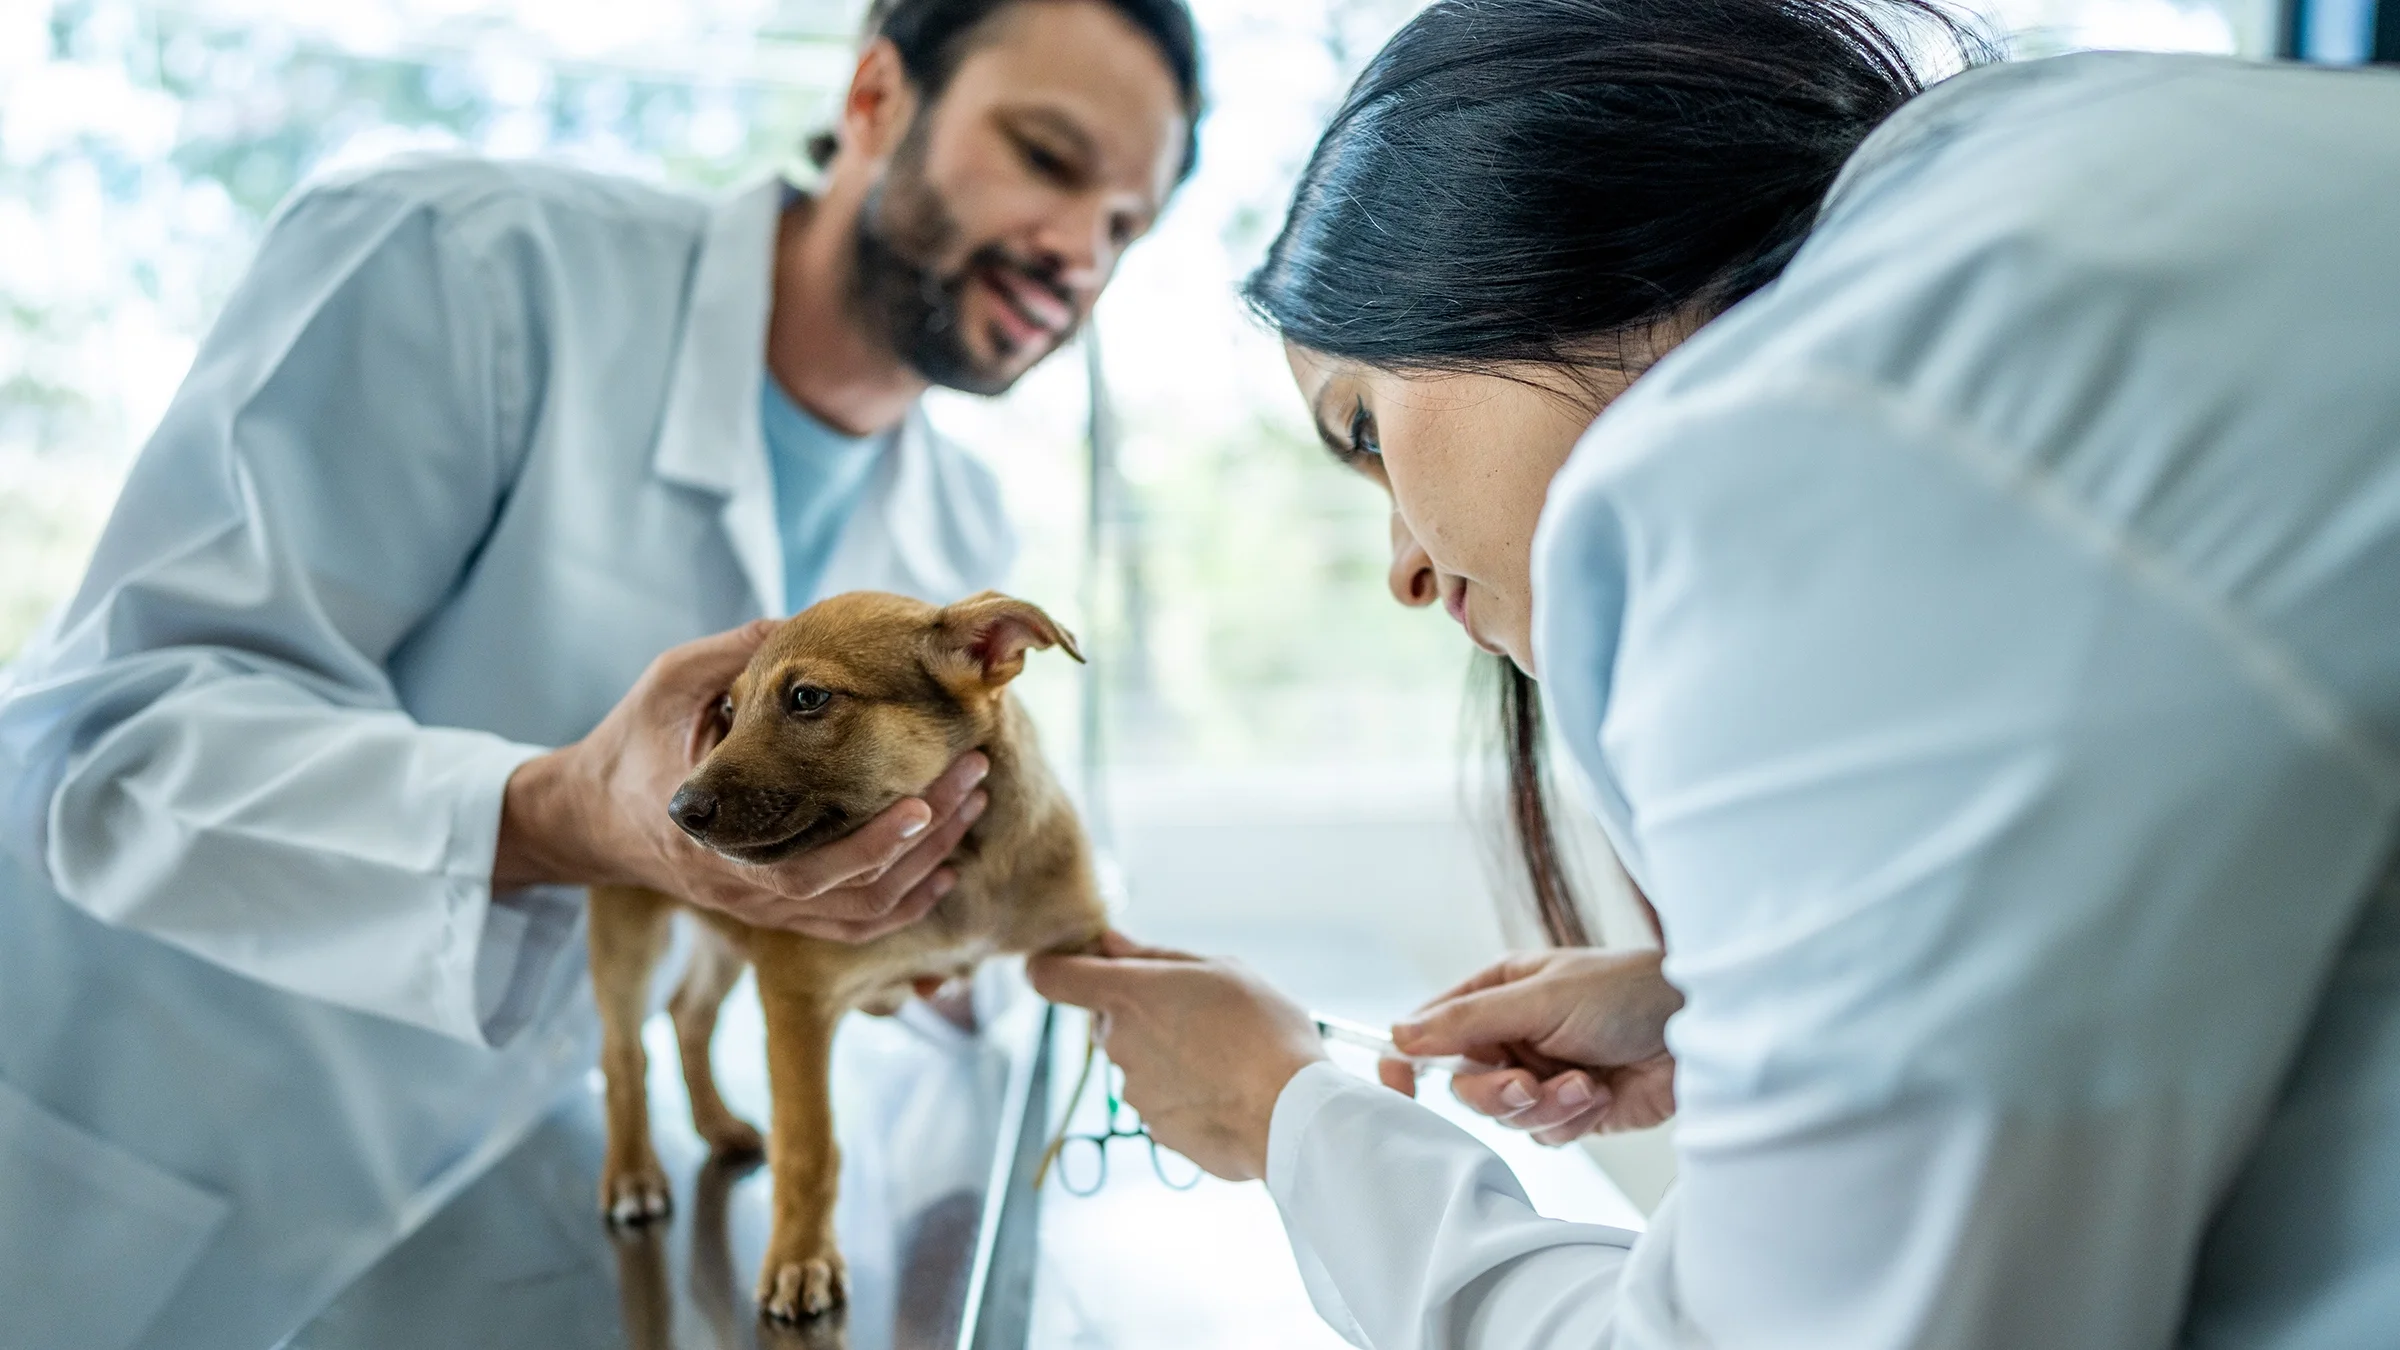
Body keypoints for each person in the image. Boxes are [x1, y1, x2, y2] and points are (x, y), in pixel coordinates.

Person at [1031, 1, 2400, 1345]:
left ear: (1518, 241)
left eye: (1368, 433)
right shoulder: (2073, 196)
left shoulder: (1799, 467)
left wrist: (1290, 1118)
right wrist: (1742, 997)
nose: (1400, 566)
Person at [0, 0, 1198, 1345]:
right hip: (130, 1166)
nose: (1073, 254)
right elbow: (90, 744)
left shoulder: (955, 543)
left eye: (1123, 228)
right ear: (874, 96)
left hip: (514, 1199)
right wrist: (563, 813)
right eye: (1045, 155)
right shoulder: (459, 266)